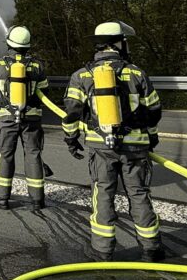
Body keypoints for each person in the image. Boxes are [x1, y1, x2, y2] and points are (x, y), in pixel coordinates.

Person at [62, 21, 164, 262]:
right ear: (119, 43)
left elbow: (72, 112)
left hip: (101, 147)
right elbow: (154, 109)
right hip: (135, 147)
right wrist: (152, 135)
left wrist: (71, 138)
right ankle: (151, 248)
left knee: (103, 193)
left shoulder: (82, 75)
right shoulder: (137, 73)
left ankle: (102, 250)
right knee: (138, 193)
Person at [0, 26, 63, 211]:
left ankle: (1, 198)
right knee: (33, 154)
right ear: (28, 44)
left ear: (9, 42)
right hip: (32, 119)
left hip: (7, 118)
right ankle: (37, 200)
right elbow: (43, 90)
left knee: (5, 155)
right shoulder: (37, 65)